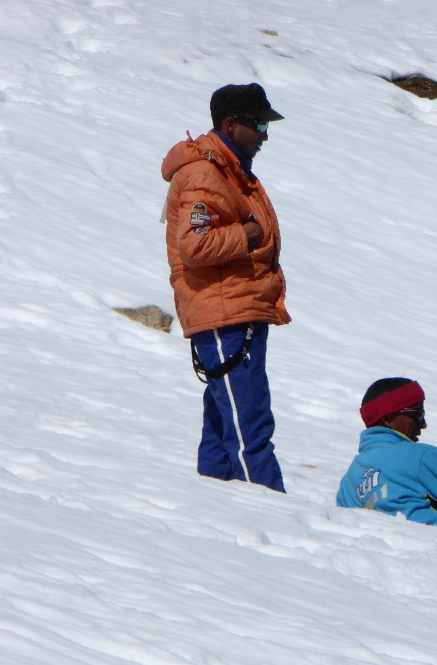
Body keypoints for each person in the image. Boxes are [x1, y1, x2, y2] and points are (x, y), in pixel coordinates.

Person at [161, 83, 289, 492]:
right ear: (231, 125)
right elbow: (194, 245)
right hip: (224, 316)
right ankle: (271, 514)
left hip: (234, 312)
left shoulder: (228, 169)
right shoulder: (205, 173)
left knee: (224, 423)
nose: (266, 135)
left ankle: (217, 508)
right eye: (260, 124)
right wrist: (247, 234)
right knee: (248, 425)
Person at [337, 378, 437, 540]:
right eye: (417, 414)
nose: (423, 424)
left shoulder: (348, 483)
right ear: (388, 419)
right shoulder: (417, 457)